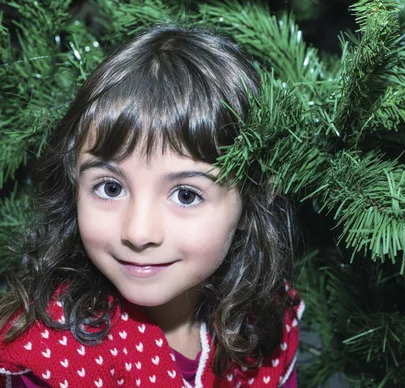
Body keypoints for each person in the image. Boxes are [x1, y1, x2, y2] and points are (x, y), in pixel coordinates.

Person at [0, 24, 303, 388]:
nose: (138, 232)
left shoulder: (267, 314)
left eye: (186, 195)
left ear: (252, 199)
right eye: (110, 188)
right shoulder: (53, 353)